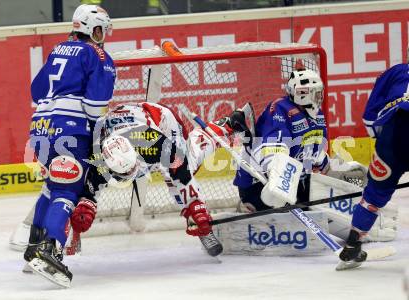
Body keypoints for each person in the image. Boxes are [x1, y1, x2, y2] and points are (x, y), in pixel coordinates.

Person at [24, 4, 115, 287]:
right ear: (94, 29)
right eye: (102, 30)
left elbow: (36, 91)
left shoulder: (58, 49)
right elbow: (96, 106)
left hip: (40, 126)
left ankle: (34, 247)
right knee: (68, 188)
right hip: (70, 129)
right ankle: (49, 250)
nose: (104, 36)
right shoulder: (98, 54)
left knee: (52, 186)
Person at [88, 101, 252, 257]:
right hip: (125, 123)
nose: (131, 172)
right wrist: (85, 205)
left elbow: (180, 171)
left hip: (162, 120)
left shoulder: (149, 141)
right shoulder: (97, 152)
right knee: (176, 173)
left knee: (180, 172)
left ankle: (227, 125)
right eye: (125, 172)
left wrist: (196, 208)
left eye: (132, 167)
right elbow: (89, 185)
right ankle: (227, 124)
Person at [233, 68, 367, 211]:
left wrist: (332, 171)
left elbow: (314, 152)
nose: (320, 97)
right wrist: (279, 178)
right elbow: (273, 147)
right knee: (295, 204)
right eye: (315, 93)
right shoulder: (280, 109)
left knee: (324, 198)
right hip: (261, 185)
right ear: (303, 94)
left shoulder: (316, 114)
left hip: (293, 183)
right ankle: (249, 206)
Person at [339, 63, 409, 265]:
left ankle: (353, 243)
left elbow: (369, 117)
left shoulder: (395, 71)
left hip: (393, 134)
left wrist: (384, 144)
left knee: (374, 196)